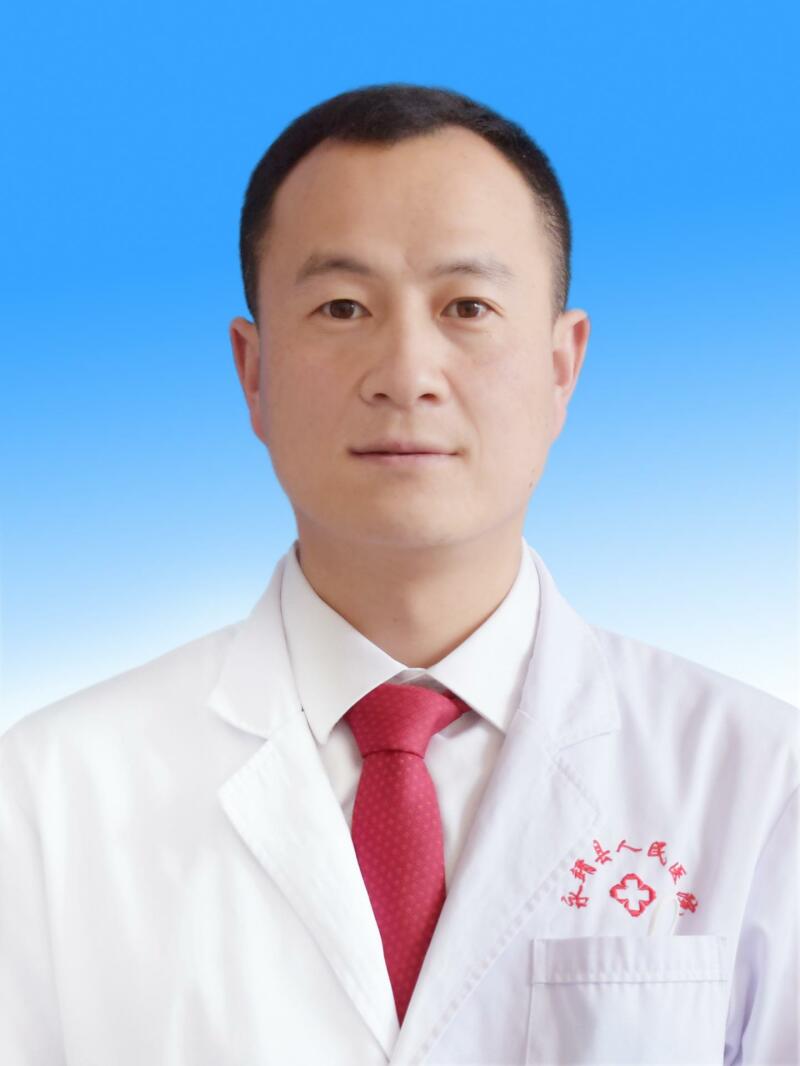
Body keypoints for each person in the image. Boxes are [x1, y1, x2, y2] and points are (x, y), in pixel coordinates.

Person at [0, 83, 797, 1066]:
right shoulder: (47, 794)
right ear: (253, 371)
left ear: (562, 366)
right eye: (342, 307)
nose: (406, 372)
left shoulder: (760, 780)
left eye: (467, 307)